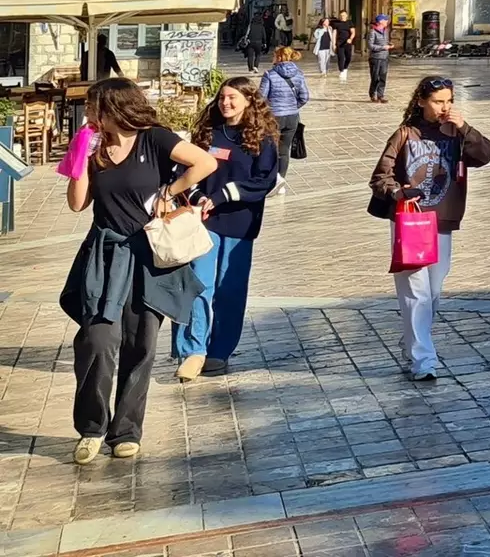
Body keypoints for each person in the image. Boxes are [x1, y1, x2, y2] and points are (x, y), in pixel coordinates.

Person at [60, 78, 218, 464]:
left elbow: (205, 161)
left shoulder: (155, 139)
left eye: (94, 107)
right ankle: (91, 429)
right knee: (96, 341)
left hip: (149, 256)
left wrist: (170, 191)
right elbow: (77, 204)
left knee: (141, 343)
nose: (89, 115)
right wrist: (80, 156)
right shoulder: (94, 148)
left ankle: (126, 431)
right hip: (106, 257)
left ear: (114, 106)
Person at [370, 76, 490, 381]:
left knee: (433, 293)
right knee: (416, 293)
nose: (445, 107)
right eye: (438, 101)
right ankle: (423, 361)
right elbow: (380, 176)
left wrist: (464, 127)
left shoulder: (456, 134)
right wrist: (397, 192)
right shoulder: (405, 134)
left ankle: (412, 341)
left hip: (442, 220)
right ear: (421, 101)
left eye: (449, 100)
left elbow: (485, 155)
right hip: (411, 221)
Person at [172, 77, 279, 380]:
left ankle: (220, 351)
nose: (226, 103)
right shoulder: (207, 131)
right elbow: (183, 168)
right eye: (221, 97)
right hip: (203, 220)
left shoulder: (263, 137)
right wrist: (195, 196)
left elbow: (264, 180)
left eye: (232, 97)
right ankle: (194, 349)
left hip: (239, 221)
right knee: (199, 284)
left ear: (248, 100)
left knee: (229, 290)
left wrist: (221, 196)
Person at [258, 47, 309, 189]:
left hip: (274, 117)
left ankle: (270, 179)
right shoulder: (299, 74)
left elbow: (261, 98)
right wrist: (292, 107)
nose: (272, 58)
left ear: (280, 57)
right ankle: (281, 180)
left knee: (269, 148)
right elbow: (304, 97)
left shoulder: (269, 74)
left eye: (274, 55)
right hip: (292, 117)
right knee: (284, 150)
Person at [367, 14, 393, 104]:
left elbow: (385, 42)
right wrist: (383, 47)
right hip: (375, 58)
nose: (387, 22)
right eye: (385, 20)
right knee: (375, 77)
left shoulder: (386, 31)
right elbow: (370, 45)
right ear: (381, 21)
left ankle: (380, 96)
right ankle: (372, 94)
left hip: (384, 57)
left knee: (383, 77)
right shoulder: (372, 32)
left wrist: (389, 44)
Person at [329, 9, 357, 80]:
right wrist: (334, 44)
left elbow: (353, 32)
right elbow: (334, 34)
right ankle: (341, 70)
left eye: (344, 15)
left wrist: (350, 39)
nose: (342, 17)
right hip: (339, 43)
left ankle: (345, 68)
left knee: (348, 57)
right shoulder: (336, 24)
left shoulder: (350, 23)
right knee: (341, 58)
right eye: (341, 15)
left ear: (346, 15)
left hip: (347, 43)